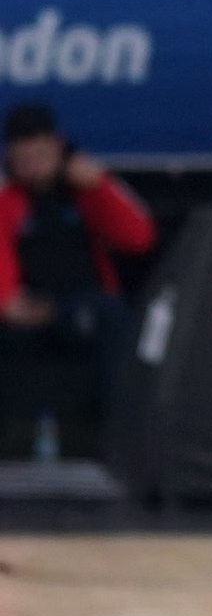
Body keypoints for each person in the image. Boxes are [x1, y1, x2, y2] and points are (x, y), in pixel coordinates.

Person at [0, 102, 156, 460]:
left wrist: (100, 186)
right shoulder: (7, 199)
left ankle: (121, 439)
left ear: (58, 147)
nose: (33, 167)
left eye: (40, 156)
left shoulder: (88, 190)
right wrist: (6, 302)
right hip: (26, 305)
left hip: (84, 305)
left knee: (111, 319)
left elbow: (139, 237)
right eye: (23, 159)